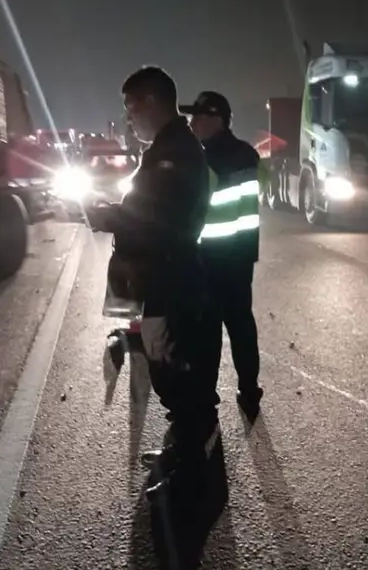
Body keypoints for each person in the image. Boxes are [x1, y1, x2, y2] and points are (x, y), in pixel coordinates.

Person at [87, 66, 220, 468]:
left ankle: (188, 467)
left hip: (171, 276)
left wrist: (105, 216)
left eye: (130, 107)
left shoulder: (173, 152)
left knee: (172, 368)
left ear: (149, 102)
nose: (128, 117)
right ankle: (189, 450)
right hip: (173, 273)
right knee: (175, 367)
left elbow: (154, 218)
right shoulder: (173, 146)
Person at [180, 91, 265, 418]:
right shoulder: (247, 154)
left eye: (198, 118)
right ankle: (249, 390)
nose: (193, 123)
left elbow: (194, 210)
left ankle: (206, 396)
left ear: (216, 119)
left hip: (212, 257)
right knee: (242, 323)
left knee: (209, 330)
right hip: (242, 254)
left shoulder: (205, 160)